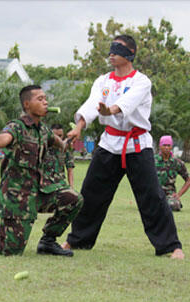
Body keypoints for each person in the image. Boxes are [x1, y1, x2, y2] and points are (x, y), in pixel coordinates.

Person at [63, 35, 184, 259]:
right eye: (111, 48)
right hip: (109, 143)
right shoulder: (103, 81)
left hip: (137, 145)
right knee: (91, 193)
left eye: (117, 49)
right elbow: (91, 104)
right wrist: (79, 126)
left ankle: (170, 246)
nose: (111, 53)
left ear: (130, 53)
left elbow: (127, 103)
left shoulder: (141, 81)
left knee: (151, 196)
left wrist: (111, 111)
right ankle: (77, 240)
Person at [0, 85, 82, 256]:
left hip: (40, 191)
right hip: (17, 196)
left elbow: (55, 140)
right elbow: (4, 138)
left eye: (46, 99)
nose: (46, 102)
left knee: (73, 199)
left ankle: (48, 242)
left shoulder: (43, 129)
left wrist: (65, 144)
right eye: (40, 99)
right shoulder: (17, 127)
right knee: (11, 249)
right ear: (27, 104)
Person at [155, 135, 190, 212]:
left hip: (169, 195)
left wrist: (179, 195)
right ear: (160, 146)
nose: (166, 147)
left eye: (169, 145)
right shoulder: (152, 161)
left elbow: (188, 180)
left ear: (171, 147)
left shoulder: (177, 163)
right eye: (164, 145)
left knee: (175, 205)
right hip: (155, 194)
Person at [44, 124, 75, 188]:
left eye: (60, 136)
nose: (58, 138)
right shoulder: (44, 147)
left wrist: (71, 187)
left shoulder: (66, 150)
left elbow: (70, 170)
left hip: (60, 184)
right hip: (45, 185)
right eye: (56, 136)